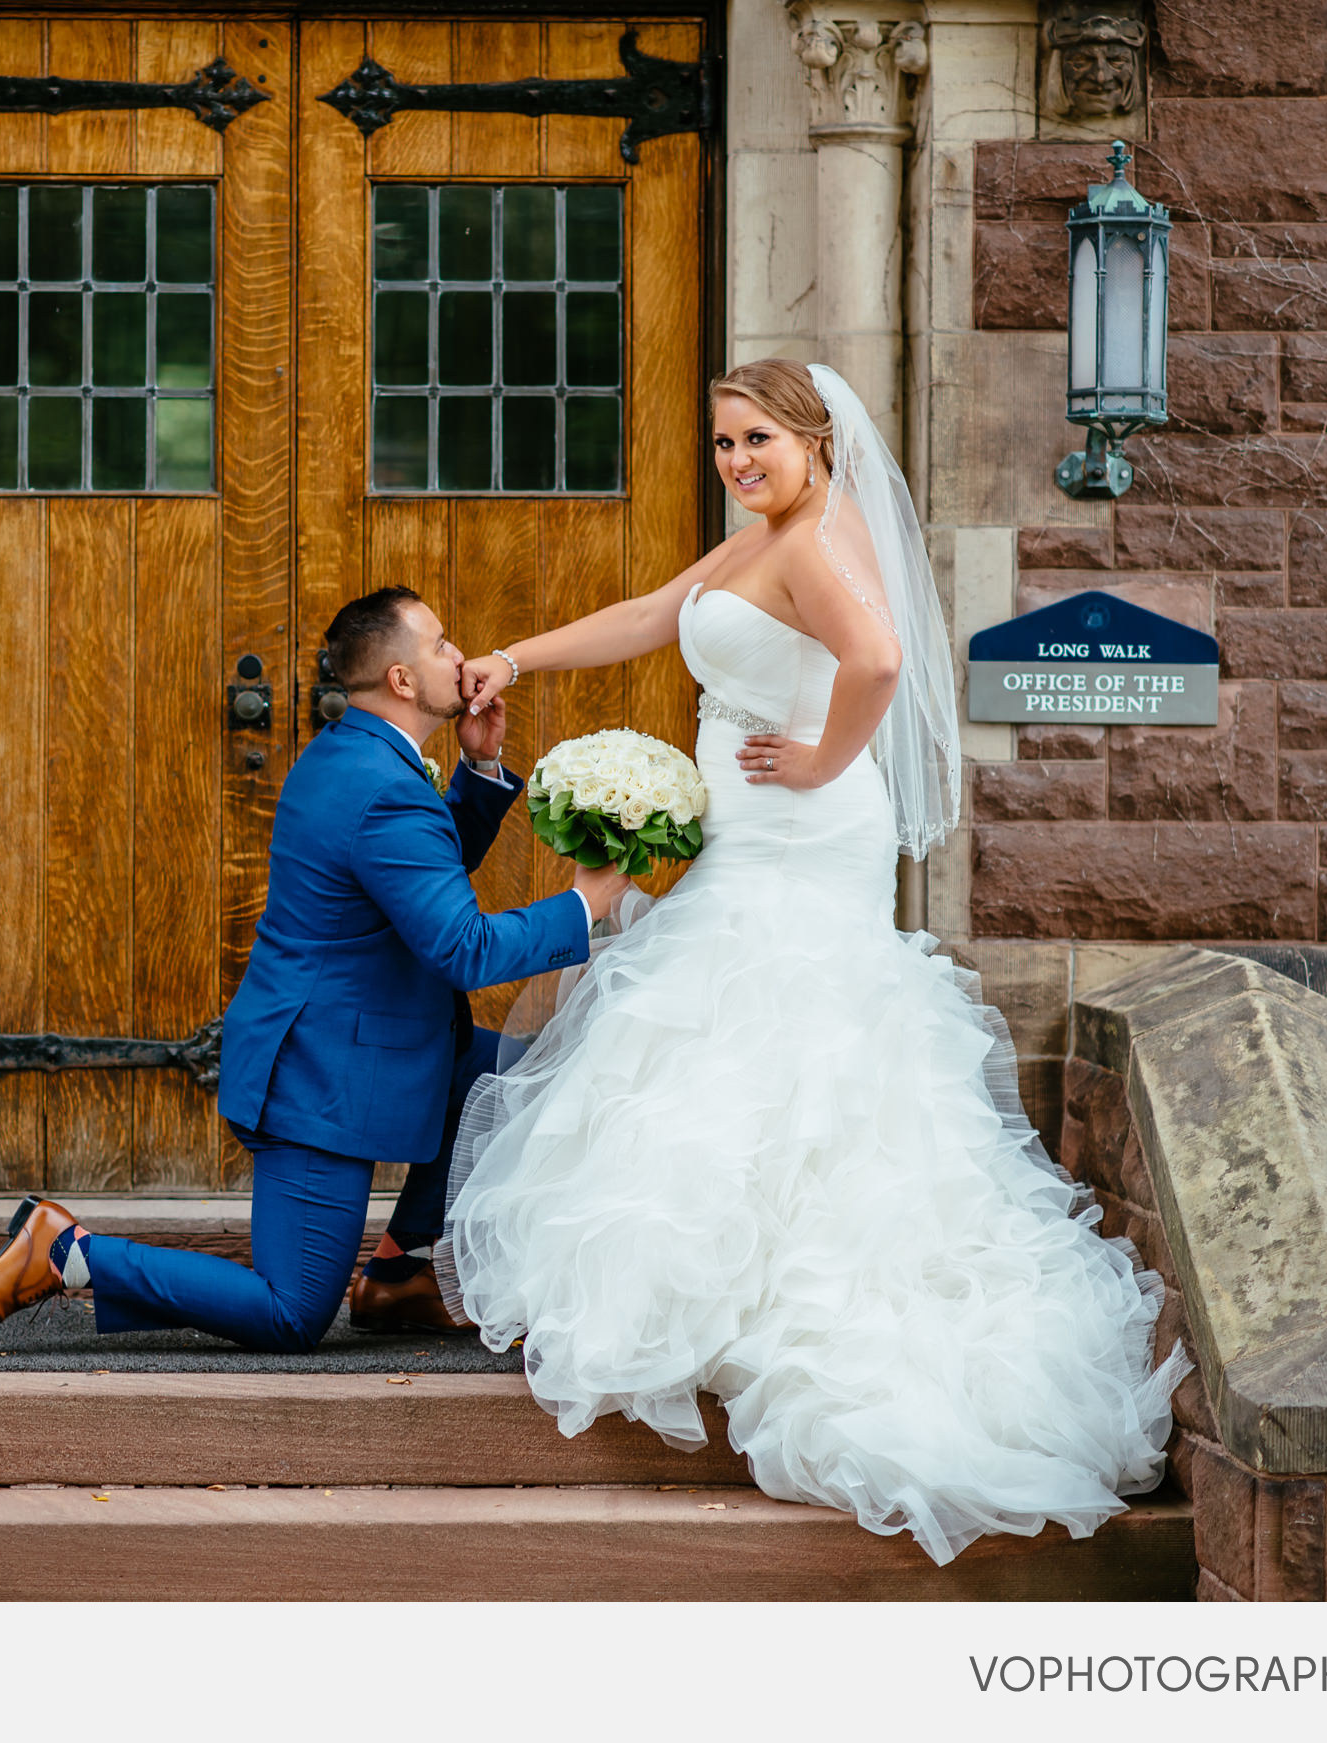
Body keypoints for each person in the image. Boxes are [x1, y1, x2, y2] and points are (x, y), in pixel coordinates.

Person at [441, 359, 1189, 1565]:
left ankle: (794, 1318)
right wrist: (518, 660)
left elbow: (880, 662)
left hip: (795, 829)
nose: (738, 462)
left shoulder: (811, 545)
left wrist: (824, 761)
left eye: (758, 442)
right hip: (758, 830)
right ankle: (734, 1302)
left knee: (780, 1027)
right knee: (741, 1035)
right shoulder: (761, 541)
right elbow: (651, 616)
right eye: (725, 441)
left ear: (817, 441)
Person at [0, 587, 630, 1358]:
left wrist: (479, 769)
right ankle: (65, 1252)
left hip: (383, 1042)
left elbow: (418, 881)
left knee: (514, 1074)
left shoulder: (355, 752)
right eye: (441, 643)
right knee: (290, 1313)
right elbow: (462, 947)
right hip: (323, 1072)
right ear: (403, 681)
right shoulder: (381, 787)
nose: (459, 656)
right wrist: (583, 903)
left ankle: (401, 1273)